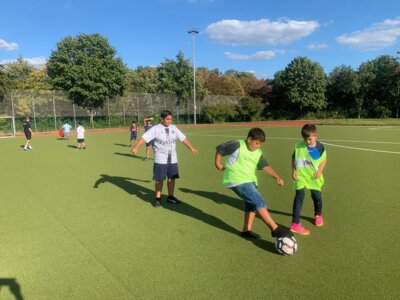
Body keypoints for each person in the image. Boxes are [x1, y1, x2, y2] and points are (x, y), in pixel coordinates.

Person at [215, 127, 293, 239]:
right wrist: (217, 163)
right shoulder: (237, 145)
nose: (258, 146)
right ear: (249, 139)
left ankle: (246, 230)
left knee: (251, 205)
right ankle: (275, 229)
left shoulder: (258, 152)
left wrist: (276, 177)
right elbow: (221, 149)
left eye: (260, 144)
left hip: (250, 180)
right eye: (257, 143)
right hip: (237, 180)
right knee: (259, 201)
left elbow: (265, 166)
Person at [131, 110, 197, 207]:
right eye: (167, 119)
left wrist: (191, 147)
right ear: (162, 119)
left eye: (171, 119)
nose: (170, 121)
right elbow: (144, 138)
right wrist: (136, 147)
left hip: (173, 159)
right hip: (160, 160)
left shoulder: (174, 128)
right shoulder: (156, 129)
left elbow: (183, 138)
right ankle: (158, 199)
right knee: (159, 179)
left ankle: (170, 197)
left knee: (172, 179)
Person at [290, 124, 327, 235]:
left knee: (317, 197)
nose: (308, 142)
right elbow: (293, 158)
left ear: (316, 136)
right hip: (301, 177)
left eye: (310, 139)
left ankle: (318, 215)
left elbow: (324, 160)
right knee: (299, 197)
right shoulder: (298, 146)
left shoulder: (320, 147)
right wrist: (294, 170)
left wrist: (320, 170)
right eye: (305, 139)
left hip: (314, 177)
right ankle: (295, 223)